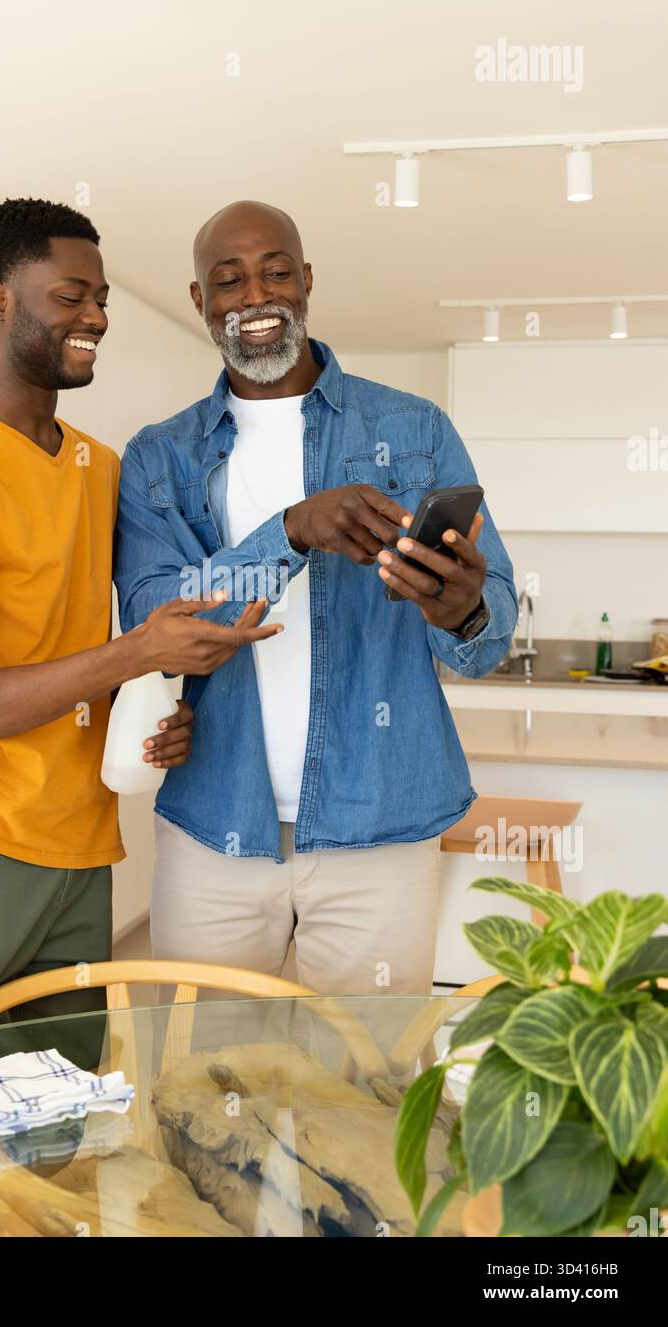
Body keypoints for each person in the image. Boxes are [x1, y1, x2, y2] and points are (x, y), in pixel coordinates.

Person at [0, 197, 281, 1057]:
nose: (94, 317)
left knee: (52, 1125)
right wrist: (136, 651)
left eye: (101, 300)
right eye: (70, 296)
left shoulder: (101, 466)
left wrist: (157, 706)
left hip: (83, 851)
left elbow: (99, 652)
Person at [114, 199, 517, 998]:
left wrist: (460, 610)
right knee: (204, 1083)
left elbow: (488, 629)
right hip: (214, 825)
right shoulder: (158, 456)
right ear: (200, 301)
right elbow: (154, 622)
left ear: (305, 282)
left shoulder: (413, 428)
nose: (253, 296)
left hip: (381, 821)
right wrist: (290, 531)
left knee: (369, 1080)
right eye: (227, 280)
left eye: (274, 271)